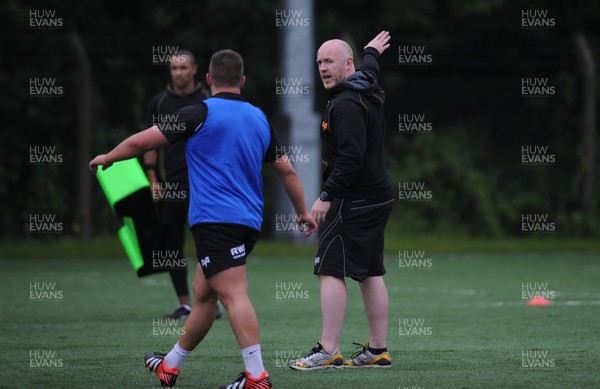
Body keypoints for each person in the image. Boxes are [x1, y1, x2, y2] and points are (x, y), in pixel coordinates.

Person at [90, 49, 317, 388]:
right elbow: (286, 170)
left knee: (234, 295)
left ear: (208, 79)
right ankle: (170, 364)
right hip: (247, 223)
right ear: (242, 81)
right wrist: (301, 211)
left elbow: (141, 141)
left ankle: (257, 376)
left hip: (216, 222)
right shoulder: (258, 117)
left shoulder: (197, 113)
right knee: (204, 296)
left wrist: (110, 157)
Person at [289, 31, 394, 370]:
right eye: (319, 62)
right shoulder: (365, 82)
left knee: (330, 267)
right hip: (378, 195)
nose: (322, 67)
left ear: (347, 64)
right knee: (369, 271)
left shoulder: (346, 104)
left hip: (354, 198)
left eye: (329, 61)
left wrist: (324, 197)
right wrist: (371, 51)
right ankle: (377, 351)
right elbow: (371, 66)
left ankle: (328, 350)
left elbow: (350, 159)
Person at [143, 49, 216, 320]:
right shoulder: (159, 103)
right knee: (172, 247)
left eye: (183, 68)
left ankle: (210, 301)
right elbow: (149, 145)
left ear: (195, 69)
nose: (178, 73)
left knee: (208, 243)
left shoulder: (208, 100)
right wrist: (153, 181)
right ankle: (185, 303)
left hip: (203, 187)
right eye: (174, 68)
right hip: (171, 186)